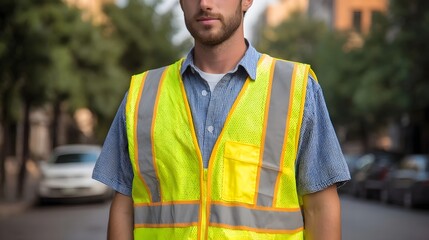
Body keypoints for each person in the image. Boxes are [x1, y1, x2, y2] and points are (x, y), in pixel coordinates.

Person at [92, 0, 351, 239]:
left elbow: (320, 208)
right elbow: (124, 207)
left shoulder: (297, 89)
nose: (204, 3)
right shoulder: (143, 95)